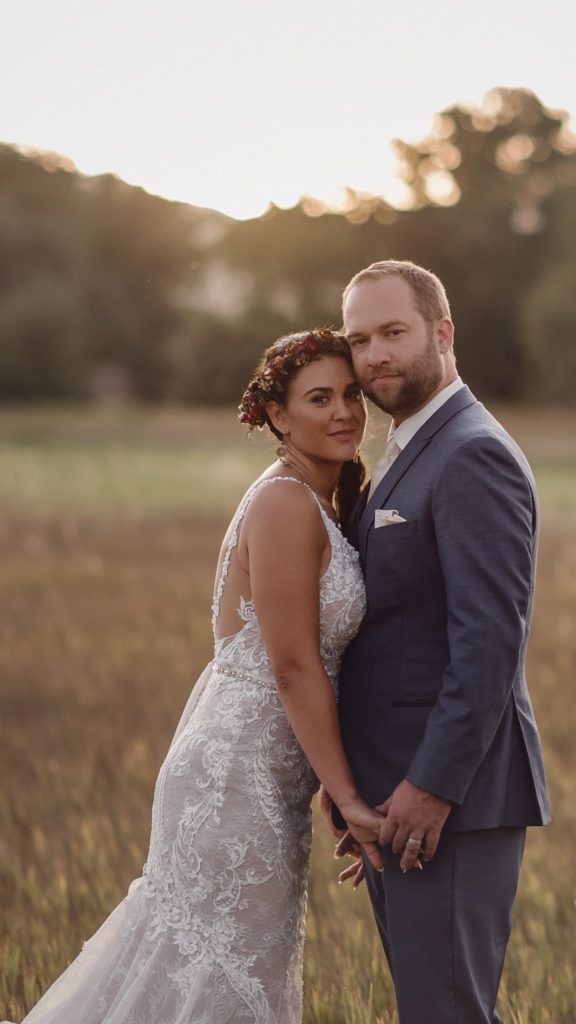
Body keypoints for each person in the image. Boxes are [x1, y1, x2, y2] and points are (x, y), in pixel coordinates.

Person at [5, 328, 383, 1024]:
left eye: (352, 395)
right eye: (320, 398)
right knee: (216, 979)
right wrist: (350, 797)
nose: (345, 413)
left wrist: (327, 787)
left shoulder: (316, 502)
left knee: (227, 977)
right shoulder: (283, 504)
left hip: (271, 783)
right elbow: (295, 667)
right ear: (278, 415)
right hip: (233, 784)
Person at [330, 261, 551, 1024]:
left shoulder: (471, 453)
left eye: (393, 333)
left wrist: (431, 785)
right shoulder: (411, 448)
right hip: (397, 798)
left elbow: (489, 644)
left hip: (450, 801)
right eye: (360, 340)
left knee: (448, 1013)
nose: (375, 357)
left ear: (442, 333)